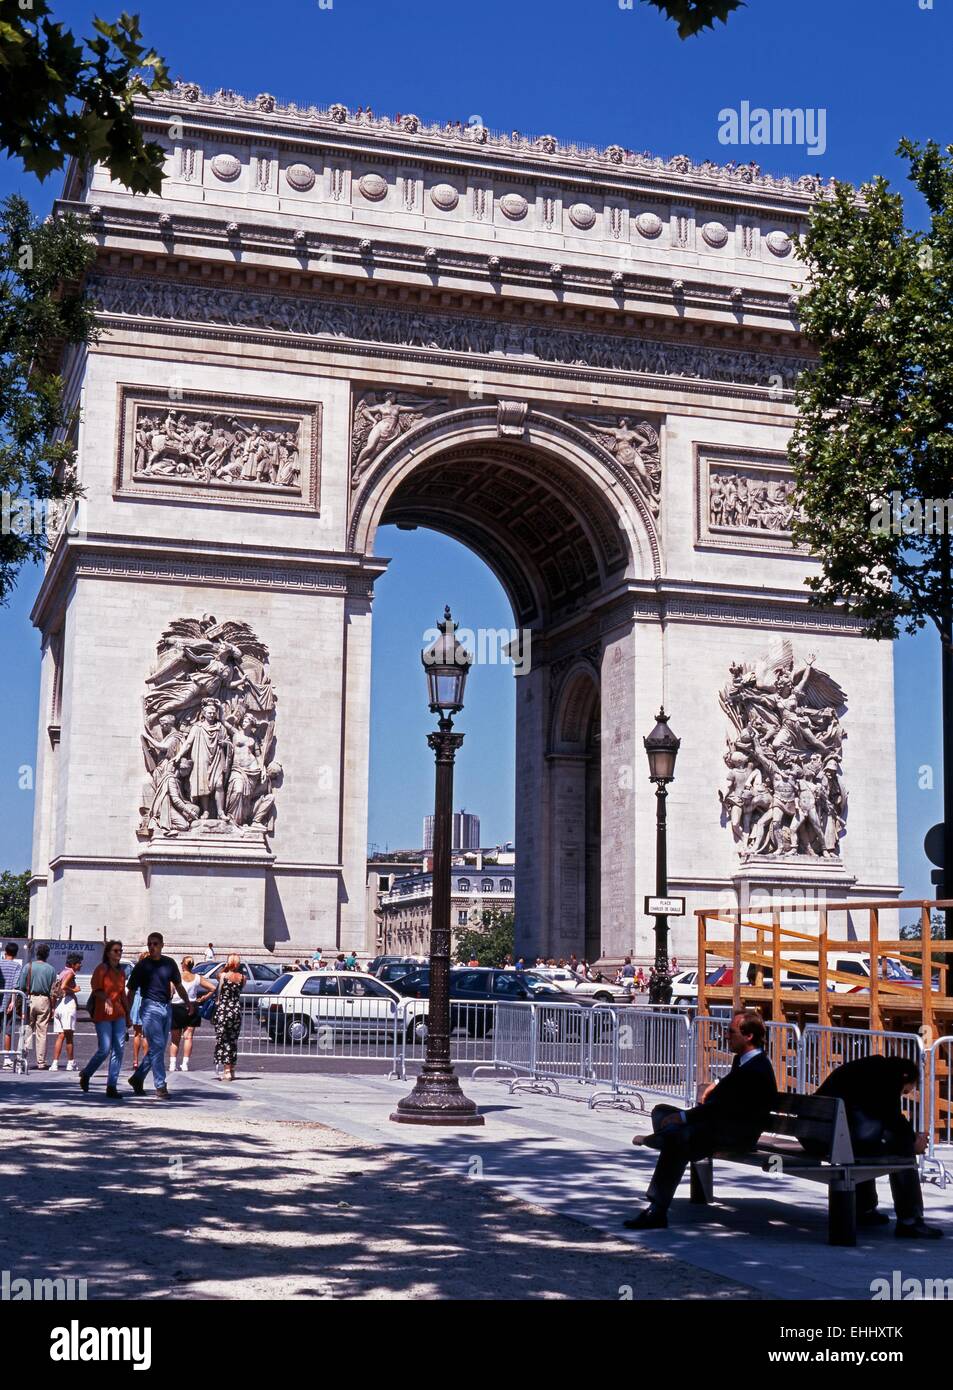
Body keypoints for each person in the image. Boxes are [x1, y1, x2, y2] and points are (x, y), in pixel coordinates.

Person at [626, 1009, 777, 1230]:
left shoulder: (756, 1069)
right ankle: (666, 1136)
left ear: (748, 1036)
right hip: (719, 1124)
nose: (726, 1036)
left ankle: (657, 1209)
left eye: (731, 1032)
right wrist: (714, 1087)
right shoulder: (743, 1061)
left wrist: (684, 1117)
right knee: (661, 1112)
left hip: (736, 1134)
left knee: (679, 1136)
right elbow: (721, 1100)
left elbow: (721, 1107)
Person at [804, 1055, 942, 1240]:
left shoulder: (871, 1068)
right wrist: (913, 1141)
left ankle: (865, 1209)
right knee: (902, 1152)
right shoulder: (887, 1076)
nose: (905, 1093)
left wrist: (908, 1137)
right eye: (906, 1090)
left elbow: (882, 1119)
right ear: (905, 1077)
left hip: (816, 1136)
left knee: (871, 1143)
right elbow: (892, 1117)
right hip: (833, 1138)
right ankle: (910, 1220)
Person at [126, 933, 193, 1099]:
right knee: (156, 1046)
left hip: (166, 1007)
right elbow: (132, 991)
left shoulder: (169, 963)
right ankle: (160, 1085)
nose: (152, 947)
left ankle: (138, 1078)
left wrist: (188, 1002)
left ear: (162, 945)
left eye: (155, 944)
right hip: (150, 1007)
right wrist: (127, 1013)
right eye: (149, 944)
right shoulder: (142, 966)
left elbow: (178, 985)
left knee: (158, 1048)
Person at [79, 941, 129, 1099]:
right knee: (105, 1049)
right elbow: (96, 990)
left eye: (120, 950)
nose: (118, 953)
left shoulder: (121, 972)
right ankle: (87, 1073)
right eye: (115, 950)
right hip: (103, 1014)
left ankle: (111, 1086)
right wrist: (107, 1000)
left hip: (119, 1013)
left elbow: (122, 995)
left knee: (119, 1050)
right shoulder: (102, 969)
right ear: (108, 953)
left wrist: (129, 1015)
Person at [169, 957, 215, 1073]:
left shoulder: (176, 976)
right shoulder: (197, 978)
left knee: (175, 1039)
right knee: (188, 1037)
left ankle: (172, 1063)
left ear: (183, 965)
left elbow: (171, 991)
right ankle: (185, 1064)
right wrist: (204, 998)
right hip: (193, 1006)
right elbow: (213, 988)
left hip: (177, 1006)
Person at [22, 944, 56, 1069]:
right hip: (44, 999)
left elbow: (21, 985)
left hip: (30, 998)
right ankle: (41, 1061)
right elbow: (53, 990)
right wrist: (53, 1006)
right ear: (47, 955)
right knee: (42, 1032)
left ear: (37, 953)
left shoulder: (28, 966)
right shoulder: (51, 969)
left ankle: (23, 1057)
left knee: (27, 1029)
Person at [213, 954, 245, 1082]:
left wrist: (225, 968)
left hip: (224, 1010)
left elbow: (217, 975)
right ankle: (232, 1069)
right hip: (236, 1011)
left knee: (224, 1040)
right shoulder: (243, 978)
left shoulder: (223, 976)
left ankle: (226, 1071)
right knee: (233, 1040)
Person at [49, 952, 83, 1071]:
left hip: (59, 1004)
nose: (80, 966)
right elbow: (63, 986)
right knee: (69, 1036)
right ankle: (70, 1062)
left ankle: (55, 1063)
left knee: (60, 1036)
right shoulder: (70, 972)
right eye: (79, 963)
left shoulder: (61, 972)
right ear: (73, 964)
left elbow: (55, 989)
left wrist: (53, 1008)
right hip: (67, 1005)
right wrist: (74, 989)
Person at [128, 950, 150, 1072]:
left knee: (137, 1034)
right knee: (146, 1035)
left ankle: (135, 1061)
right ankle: (145, 1062)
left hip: (136, 1003)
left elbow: (130, 991)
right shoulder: (151, 974)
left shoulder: (135, 973)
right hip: (147, 1002)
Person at [2, 942, 23, 1068]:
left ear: (5, 952)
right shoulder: (16, 966)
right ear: (15, 954)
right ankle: (6, 1059)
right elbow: (15, 985)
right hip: (7, 1000)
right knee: (7, 1031)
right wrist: (13, 1002)